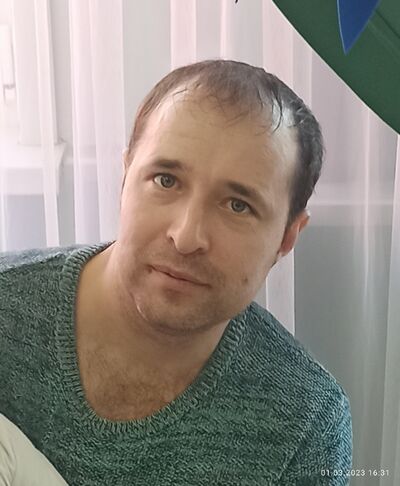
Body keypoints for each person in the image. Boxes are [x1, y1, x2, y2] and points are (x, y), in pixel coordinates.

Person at [0, 59, 352, 485]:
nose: (186, 237)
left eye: (238, 205)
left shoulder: (306, 424)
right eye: (165, 180)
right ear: (125, 178)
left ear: (287, 237)